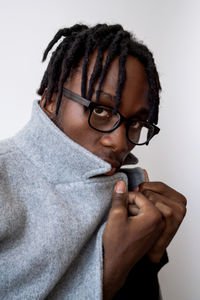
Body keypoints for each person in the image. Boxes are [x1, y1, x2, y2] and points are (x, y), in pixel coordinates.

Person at [0, 24, 187, 300]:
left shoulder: (135, 204)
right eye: (100, 110)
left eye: (136, 123)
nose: (120, 143)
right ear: (51, 99)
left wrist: (148, 260)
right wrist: (110, 271)